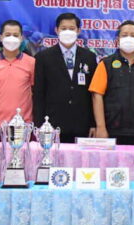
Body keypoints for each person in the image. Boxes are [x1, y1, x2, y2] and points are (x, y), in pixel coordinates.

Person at [32, 13, 98, 142]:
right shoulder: (43, 57)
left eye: (72, 28)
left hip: (82, 125)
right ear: (56, 30)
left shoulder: (89, 57)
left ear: (78, 31)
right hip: (51, 125)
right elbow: (39, 94)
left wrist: (93, 123)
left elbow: (93, 94)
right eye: (63, 28)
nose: (67, 32)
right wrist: (39, 125)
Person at [0, 20, 35, 127]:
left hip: (23, 126)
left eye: (15, 35)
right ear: (1, 37)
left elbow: (35, 94)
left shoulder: (32, 63)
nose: (11, 38)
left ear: (21, 38)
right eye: (8, 35)